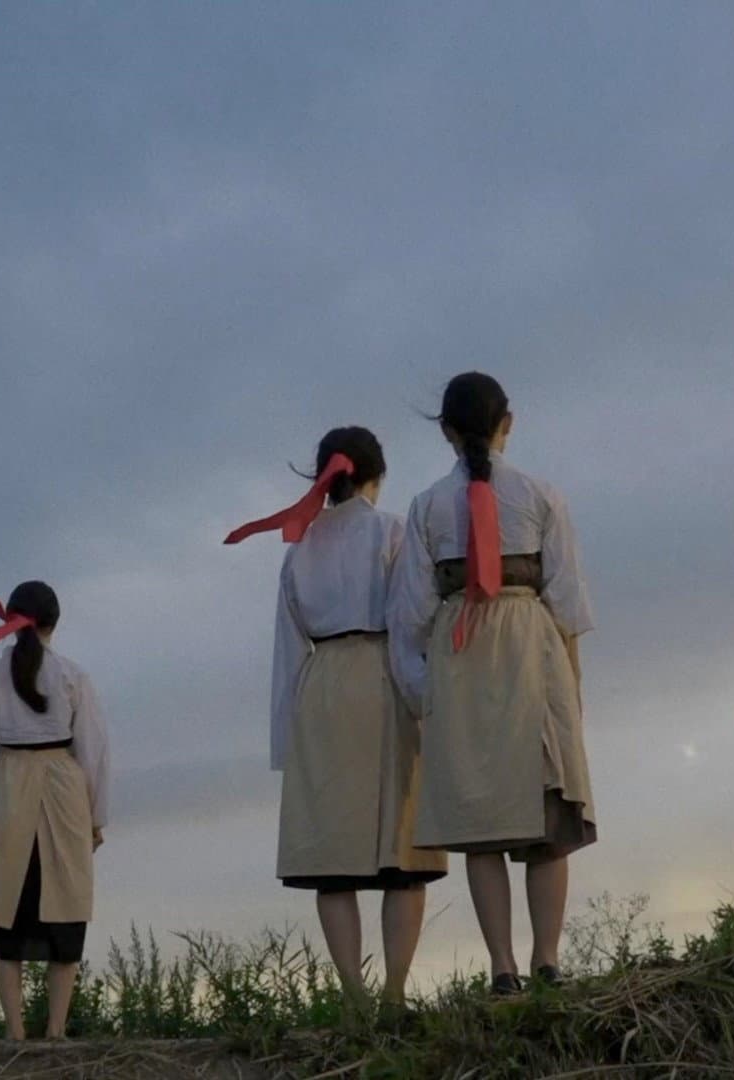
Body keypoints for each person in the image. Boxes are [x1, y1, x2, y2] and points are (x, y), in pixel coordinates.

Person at [226, 426, 448, 1018]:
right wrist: (428, 699)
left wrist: (285, 743)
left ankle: (354, 996)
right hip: (386, 677)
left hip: (321, 687)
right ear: (376, 475)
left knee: (332, 859)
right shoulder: (392, 530)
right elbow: (411, 620)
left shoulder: (301, 549)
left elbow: (287, 649)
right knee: (402, 854)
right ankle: (395, 993)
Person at [387, 372, 597, 996]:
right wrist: (571, 687)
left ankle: (502, 967)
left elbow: (409, 616)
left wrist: (427, 694)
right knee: (545, 817)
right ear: (509, 421)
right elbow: (567, 602)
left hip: (462, 656)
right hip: (532, 649)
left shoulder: (425, 507)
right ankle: (548, 960)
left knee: (481, 818)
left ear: (446, 431)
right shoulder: (541, 495)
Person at [0, 583, 110, 1041]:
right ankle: (57, 1029)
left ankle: (15, 1030)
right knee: (65, 908)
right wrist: (97, 817)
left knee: (7, 912)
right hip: (63, 790)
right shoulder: (73, 676)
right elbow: (95, 752)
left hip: (6, 789)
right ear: (53, 623)